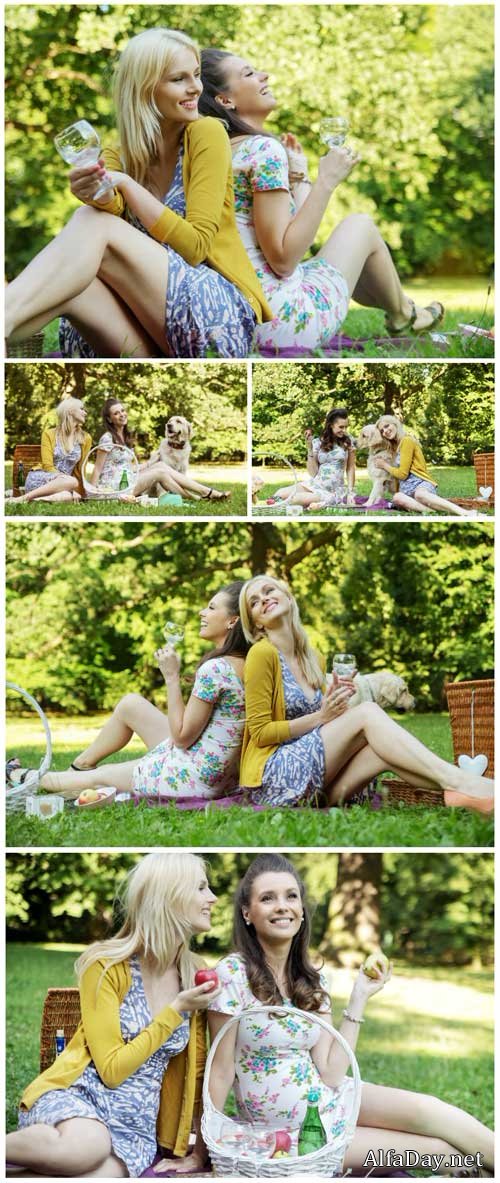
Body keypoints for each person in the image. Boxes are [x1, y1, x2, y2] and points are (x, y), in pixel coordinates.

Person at [206, 853, 494, 1174]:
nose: (282, 906)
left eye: (291, 896)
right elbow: (220, 1069)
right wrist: (208, 1146)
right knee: (437, 1152)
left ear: (302, 910)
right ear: (247, 912)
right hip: (299, 1137)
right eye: (267, 898)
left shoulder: (310, 979)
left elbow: (330, 1071)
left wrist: (359, 996)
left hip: (333, 1097)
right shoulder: (232, 973)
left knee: (433, 1111)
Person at [5, 29, 272, 360]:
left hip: (215, 315)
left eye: (197, 74)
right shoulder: (119, 156)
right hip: (147, 327)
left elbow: (196, 248)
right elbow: (110, 226)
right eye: (179, 79)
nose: (196, 88)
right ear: (145, 88)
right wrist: (98, 196)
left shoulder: (206, 133)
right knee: (75, 280)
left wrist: (126, 187)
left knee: (91, 221)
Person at [198, 51, 444, 355]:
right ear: (225, 101)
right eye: (248, 74)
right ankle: (403, 316)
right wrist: (327, 180)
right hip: (283, 321)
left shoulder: (218, 151)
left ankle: (405, 310)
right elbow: (285, 261)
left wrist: (299, 174)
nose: (264, 76)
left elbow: (292, 239)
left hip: (242, 317)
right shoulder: (264, 149)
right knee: (360, 225)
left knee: (353, 260)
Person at [6, 852, 221, 1178]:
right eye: (201, 888)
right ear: (170, 896)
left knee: (97, 1175)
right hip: (79, 1098)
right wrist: (175, 1010)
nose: (213, 898)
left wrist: (199, 1153)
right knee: (86, 1146)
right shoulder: (106, 966)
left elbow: (199, 1070)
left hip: (134, 1127)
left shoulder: (194, 972)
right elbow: (111, 1071)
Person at [238, 575, 494, 813]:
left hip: (316, 779)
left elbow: (323, 732)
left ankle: (466, 798)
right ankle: (467, 783)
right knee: (369, 711)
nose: (263, 599)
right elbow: (260, 733)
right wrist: (322, 717)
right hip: (274, 776)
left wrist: (337, 705)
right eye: (254, 602)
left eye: (269, 590)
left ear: (288, 596)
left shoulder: (314, 658)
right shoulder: (261, 654)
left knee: (382, 751)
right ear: (256, 622)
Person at [41, 582, 250, 801]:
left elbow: (181, 738)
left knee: (100, 776)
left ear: (232, 621)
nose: (202, 612)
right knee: (131, 704)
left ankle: (24, 777)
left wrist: (171, 677)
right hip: (213, 769)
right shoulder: (246, 661)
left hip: (192, 777)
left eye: (211, 607)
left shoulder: (215, 669)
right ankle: (80, 766)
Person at [90, 397, 230, 501]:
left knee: (161, 466)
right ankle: (207, 493)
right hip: (116, 488)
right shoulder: (107, 438)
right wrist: (91, 492)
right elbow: (97, 468)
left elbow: (132, 469)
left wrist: (151, 462)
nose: (122, 414)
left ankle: (201, 497)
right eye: (116, 413)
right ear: (109, 419)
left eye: (123, 410)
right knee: (161, 471)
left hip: (129, 480)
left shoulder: (126, 438)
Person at [374, 415, 483, 518]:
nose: (385, 431)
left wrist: (384, 465)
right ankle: (436, 511)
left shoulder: (406, 441)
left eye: (387, 426)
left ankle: (464, 512)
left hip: (420, 484)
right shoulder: (392, 448)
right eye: (382, 431)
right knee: (397, 497)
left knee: (420, 495)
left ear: (395, 424)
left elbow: (402, 474)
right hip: (406, 491)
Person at [269, 407, 356, 509]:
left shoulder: (348, 441)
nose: (344, 430)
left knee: (295, 499)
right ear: (331, 425)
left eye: (346, 427)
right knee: (279, 494)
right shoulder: (318, 442)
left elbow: (350, 468)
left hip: (332, 490)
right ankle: (273, 506)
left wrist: (350, 492)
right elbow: (313, 473)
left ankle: (325, 502)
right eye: (341, 427)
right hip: (315, 484)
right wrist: (310, 448)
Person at [17, 398, 91, 504]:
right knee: (71, 482)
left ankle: (32, 500)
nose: (85, 412)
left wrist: (75, 490)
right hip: (42, 478)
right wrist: (70, 484)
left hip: (66, 486)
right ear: (70, 411)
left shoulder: (86, 438)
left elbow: (80, 470)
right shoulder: (49, 434)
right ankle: (22, 498)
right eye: (82, 409)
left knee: (67, 497)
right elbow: (48, 466)